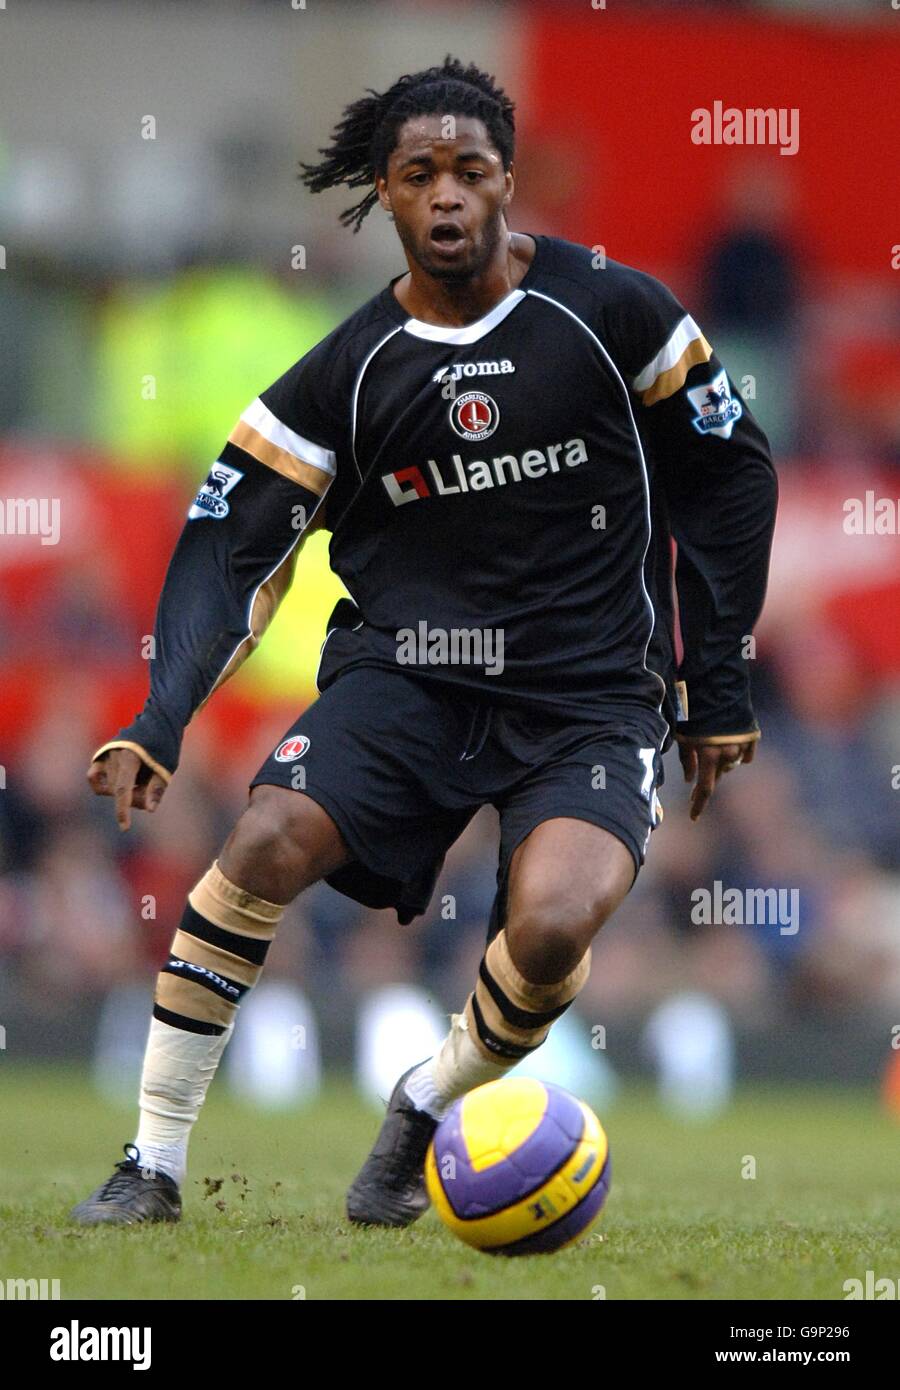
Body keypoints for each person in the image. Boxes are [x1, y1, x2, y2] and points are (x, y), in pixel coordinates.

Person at [71, 58, 777, 1228]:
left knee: (552, 926)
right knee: (265, 836)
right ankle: (150, 1163)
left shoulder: (614, 312)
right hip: (408, 675)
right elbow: (227, 547)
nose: (446, 195)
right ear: (383, 196)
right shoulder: (347, 372)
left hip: (592, 696)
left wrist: (720, 678)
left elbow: (730, 471)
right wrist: (160, 714)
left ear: (509, 181)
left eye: (470, 170)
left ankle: (420, 1107)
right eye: (418, 175)